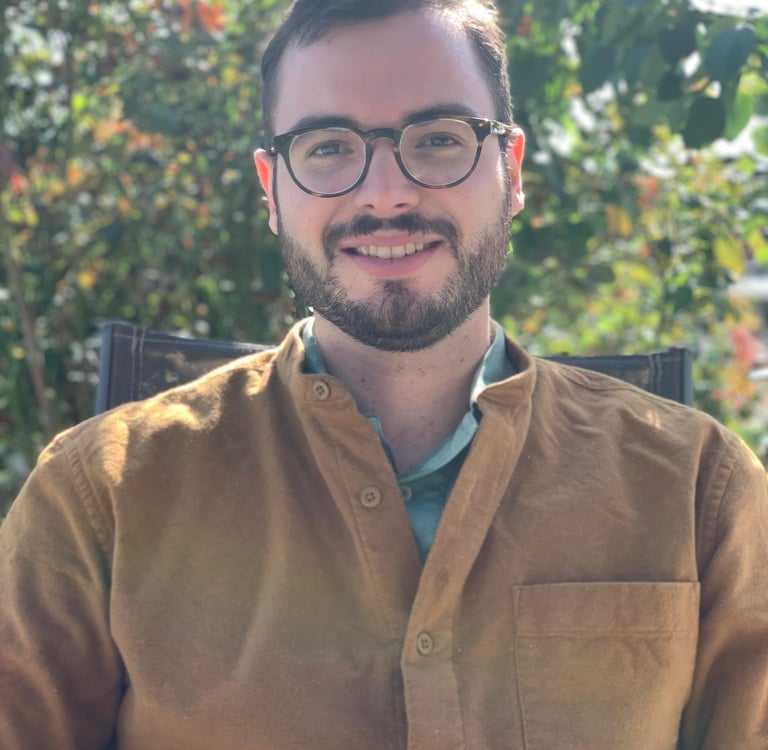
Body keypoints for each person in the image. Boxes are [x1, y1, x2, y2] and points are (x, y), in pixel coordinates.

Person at [1, 0, 767, 747]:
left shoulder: (700, 490)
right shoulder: (99, 497)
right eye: (328, 146)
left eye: (437, 138)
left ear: (512, 168)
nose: (387, 192)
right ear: (272, 190)